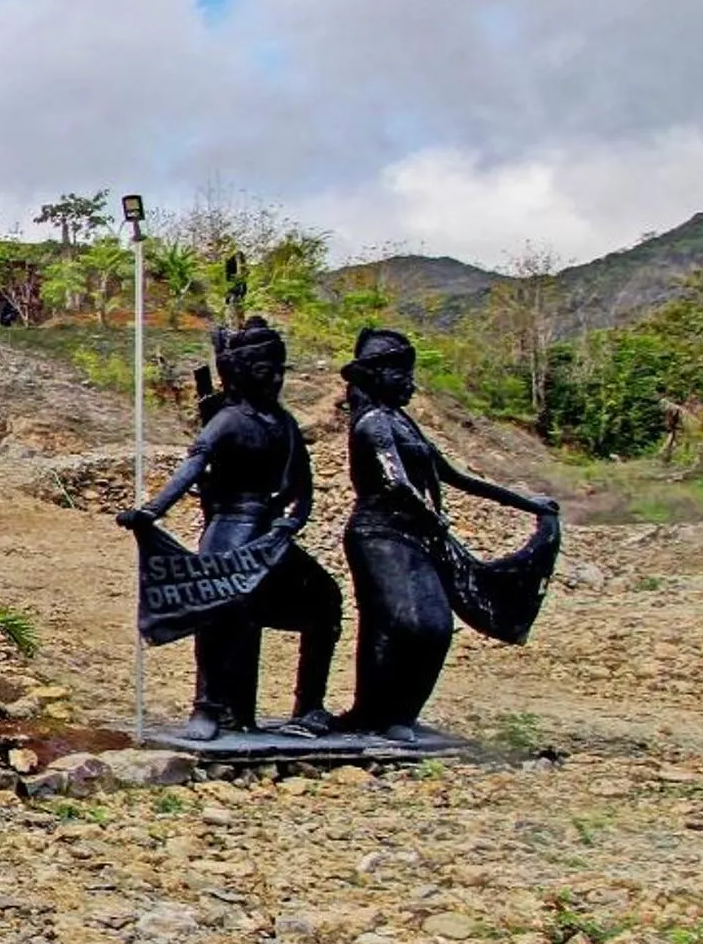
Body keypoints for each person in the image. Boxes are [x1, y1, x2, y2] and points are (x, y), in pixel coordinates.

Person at [116, 317, 342, 741]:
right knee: (220, 614)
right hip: (229, 531)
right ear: (240, 373)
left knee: (325, 602)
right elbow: (193, 466)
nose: (274, 379)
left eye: (279, 370)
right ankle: (208, 706)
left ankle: (309, 704)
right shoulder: (229, 421)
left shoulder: (285, 425)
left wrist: (288, 524)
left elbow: (301, 489)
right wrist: (151, 511)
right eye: (264, 371)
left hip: (270, 536)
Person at [335, 328, 560, 740]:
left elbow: (457, 476)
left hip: (415, 535)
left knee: (434, 627)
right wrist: (431, 518)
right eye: (401, 374)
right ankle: (372, 714)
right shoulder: (372, 424)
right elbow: (395, 482)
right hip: (379, 535)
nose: (410, 383)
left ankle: (401, 715)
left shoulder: (402, 423)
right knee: (405, 623)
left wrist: (530, 503)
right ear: (377, 375)